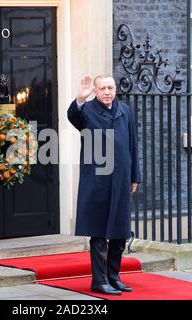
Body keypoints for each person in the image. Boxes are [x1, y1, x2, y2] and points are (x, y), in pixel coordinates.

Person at [67, 75, 141, 295]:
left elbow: (133, 145)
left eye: (110, 88)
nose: (107, 92)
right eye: (102, 88)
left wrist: (134, 176)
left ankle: (113, 277)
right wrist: (80, 98)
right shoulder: (86, 110)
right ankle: (98, 281)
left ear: (115, 89)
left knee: (119, 232)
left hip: (121, 178)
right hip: (97, 179)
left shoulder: (125, 110)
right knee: (98, 233)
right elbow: (73, 116)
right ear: (96, 91)